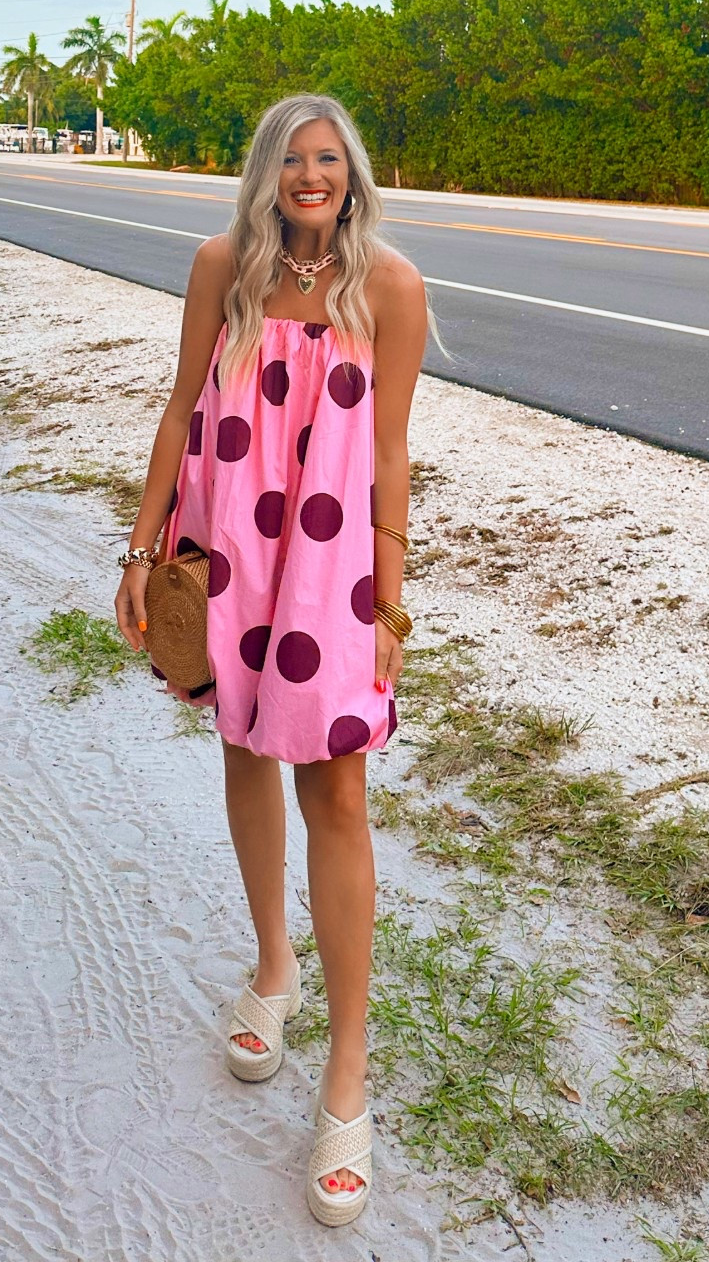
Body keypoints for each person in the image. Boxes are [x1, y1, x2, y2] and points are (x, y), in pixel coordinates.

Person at [114, 92, 427, 1227]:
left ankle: (347, 1068)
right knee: (242, 745)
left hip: (331, 571)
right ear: (264, 174)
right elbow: (180, 408)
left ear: (352, 174)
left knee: (335, 787)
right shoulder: (222, 268)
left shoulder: (388, 285)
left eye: (328, 158)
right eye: (292, 159)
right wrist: (142, 547)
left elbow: (390, 450)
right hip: (232, 548)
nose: (311, 176)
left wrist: (389, 602)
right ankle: (272, 967)